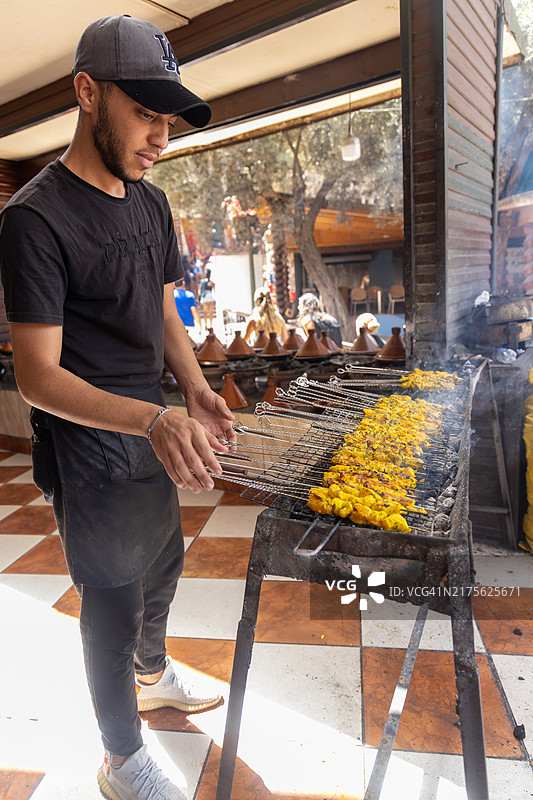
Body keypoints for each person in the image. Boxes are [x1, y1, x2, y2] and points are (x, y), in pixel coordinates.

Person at [0, 15, 235, 800]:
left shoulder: (151, 201)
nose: (160, 136)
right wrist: (150, 418)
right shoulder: (34, 219)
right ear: (87, 93)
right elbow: (35, 375)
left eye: (167, 120)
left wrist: (193, 388)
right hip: (89, 440)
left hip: (151, 424)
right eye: (144, 113)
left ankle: (152, 669)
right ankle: (120, 755)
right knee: (111, 594)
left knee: (163, 560)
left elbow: (161, 307)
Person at [174, 272, 201, 337]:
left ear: (174, 285)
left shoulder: (171, 296)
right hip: (189, 325)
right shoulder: (190, 295)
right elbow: (194, 311)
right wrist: (199, 325)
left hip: (175, 326)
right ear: (183, 283)